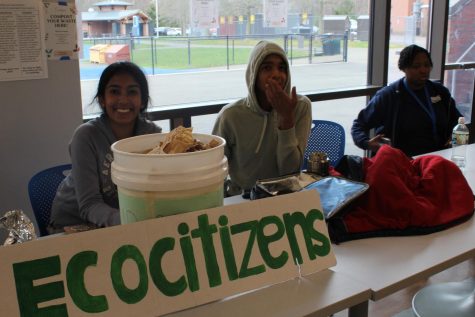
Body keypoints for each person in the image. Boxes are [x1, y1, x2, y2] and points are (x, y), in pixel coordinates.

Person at [49, 62, 161, 232]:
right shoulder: (86, 136)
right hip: (74, 223)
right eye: (114, 91)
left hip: (124, 224)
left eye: (132, 92)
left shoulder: (152, 135)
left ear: (143, 101)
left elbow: (156, 190)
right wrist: (132, 222)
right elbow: (89, 205)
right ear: (102, 100)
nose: (123, 100)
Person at [212, 40, 312, 197]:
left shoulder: (300, 106)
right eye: (267, 68)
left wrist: (286, 118)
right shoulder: (230, 115)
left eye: (282, 68)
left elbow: (290, 171)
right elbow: (215, 169)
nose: (277, 75)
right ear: (253, 74)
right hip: (243, 197)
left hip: (284, 195)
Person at [351, 44, 462, 157]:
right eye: (416, 66)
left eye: (427, 65)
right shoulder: (389, 96)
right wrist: (366, 143)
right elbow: (358, 126)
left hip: (437, 159)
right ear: (404, 68)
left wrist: (454, 140)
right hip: (400, 163)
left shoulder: (439, 92)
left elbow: (458, 121)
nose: (423, 70)